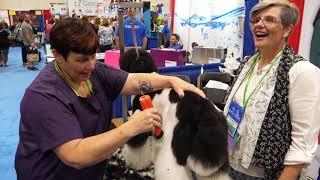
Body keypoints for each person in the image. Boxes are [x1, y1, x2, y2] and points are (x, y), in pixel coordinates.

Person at [14, 17, 204, 180]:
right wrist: (131, 127)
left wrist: (170, 80)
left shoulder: (93, 72)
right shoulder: (43, 97)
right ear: (57, 55)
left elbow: (133, 81)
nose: (91, 65)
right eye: (81, 60)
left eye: (93, 57)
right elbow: (75, 154)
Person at [224, 1, 320, 180]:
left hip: (267, 175)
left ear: (286, 30)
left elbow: (302, 144)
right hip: (230, 166)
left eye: (269, 19)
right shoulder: (247, 64)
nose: (259, 24)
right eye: (257, 19)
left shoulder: (301, 72)